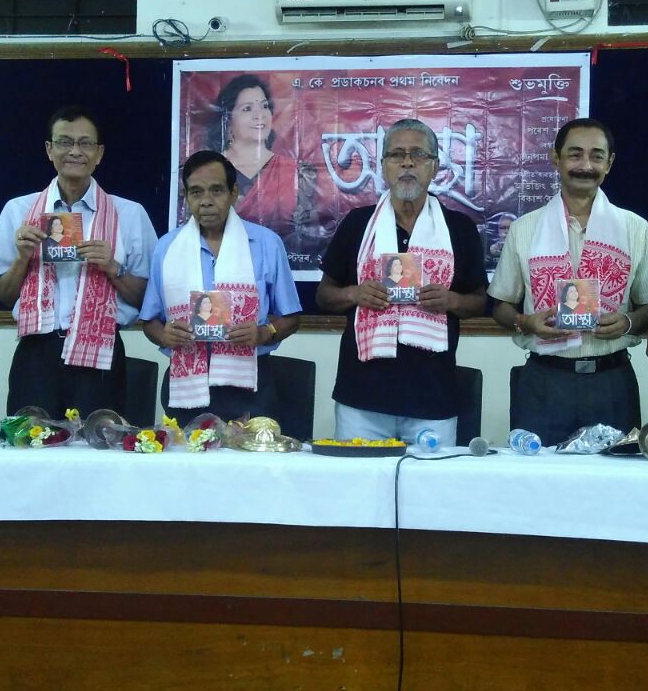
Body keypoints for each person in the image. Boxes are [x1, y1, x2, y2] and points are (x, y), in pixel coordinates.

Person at [490, 119, 648, 446]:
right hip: (544, 382)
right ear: (556, 158)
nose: (586, 165)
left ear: (609, 163)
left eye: (597, 156)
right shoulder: (525, 229)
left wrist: (628, 322)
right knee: (539, 475)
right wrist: (526, 322)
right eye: (575, 154)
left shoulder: (635, 228)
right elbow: (500, 305)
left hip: (612, 382)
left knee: (617, 475)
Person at [0, 105, 156, 417]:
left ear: (99, 153)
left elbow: (146, 299)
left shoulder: (129, 214)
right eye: (64, 142)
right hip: (36, 352)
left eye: (85, 143)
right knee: (29, 440)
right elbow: (5, 296)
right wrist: (22, 259)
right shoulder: (19, 210)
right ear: (49, 150)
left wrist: (113, 268)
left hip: (101, 353)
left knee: (99, 442)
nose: (75, 151)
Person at [317, 119, 487, 446]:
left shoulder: (459, 228)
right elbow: (324, 295)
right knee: (358, 477)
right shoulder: (358, 224)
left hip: (433, 394)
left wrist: (451, 301)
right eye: (397, 155)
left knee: (431, 480)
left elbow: (480, 301)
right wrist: (355, 293)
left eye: (418, 155)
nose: (407, 163)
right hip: (362, 395)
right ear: (383, 166)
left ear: (434, 166)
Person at [142, 151, 301, 423]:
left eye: (216, 190)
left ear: (233, 192)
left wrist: (265, 333)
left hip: (251, 385)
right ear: (186, 196)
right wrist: (165, 336)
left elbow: (292, 318)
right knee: (185, 452)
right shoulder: (167, 248)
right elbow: (150, 322)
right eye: (196, 192)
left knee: (249, 452)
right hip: (186, 385)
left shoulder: (266, 244)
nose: (206, 201)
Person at [205, 74, 309, 245]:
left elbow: (307, 236)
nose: (260, 115)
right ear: (227, 119)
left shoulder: (297, 173)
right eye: (247, 109)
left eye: (264, 106)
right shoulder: (206, 171)